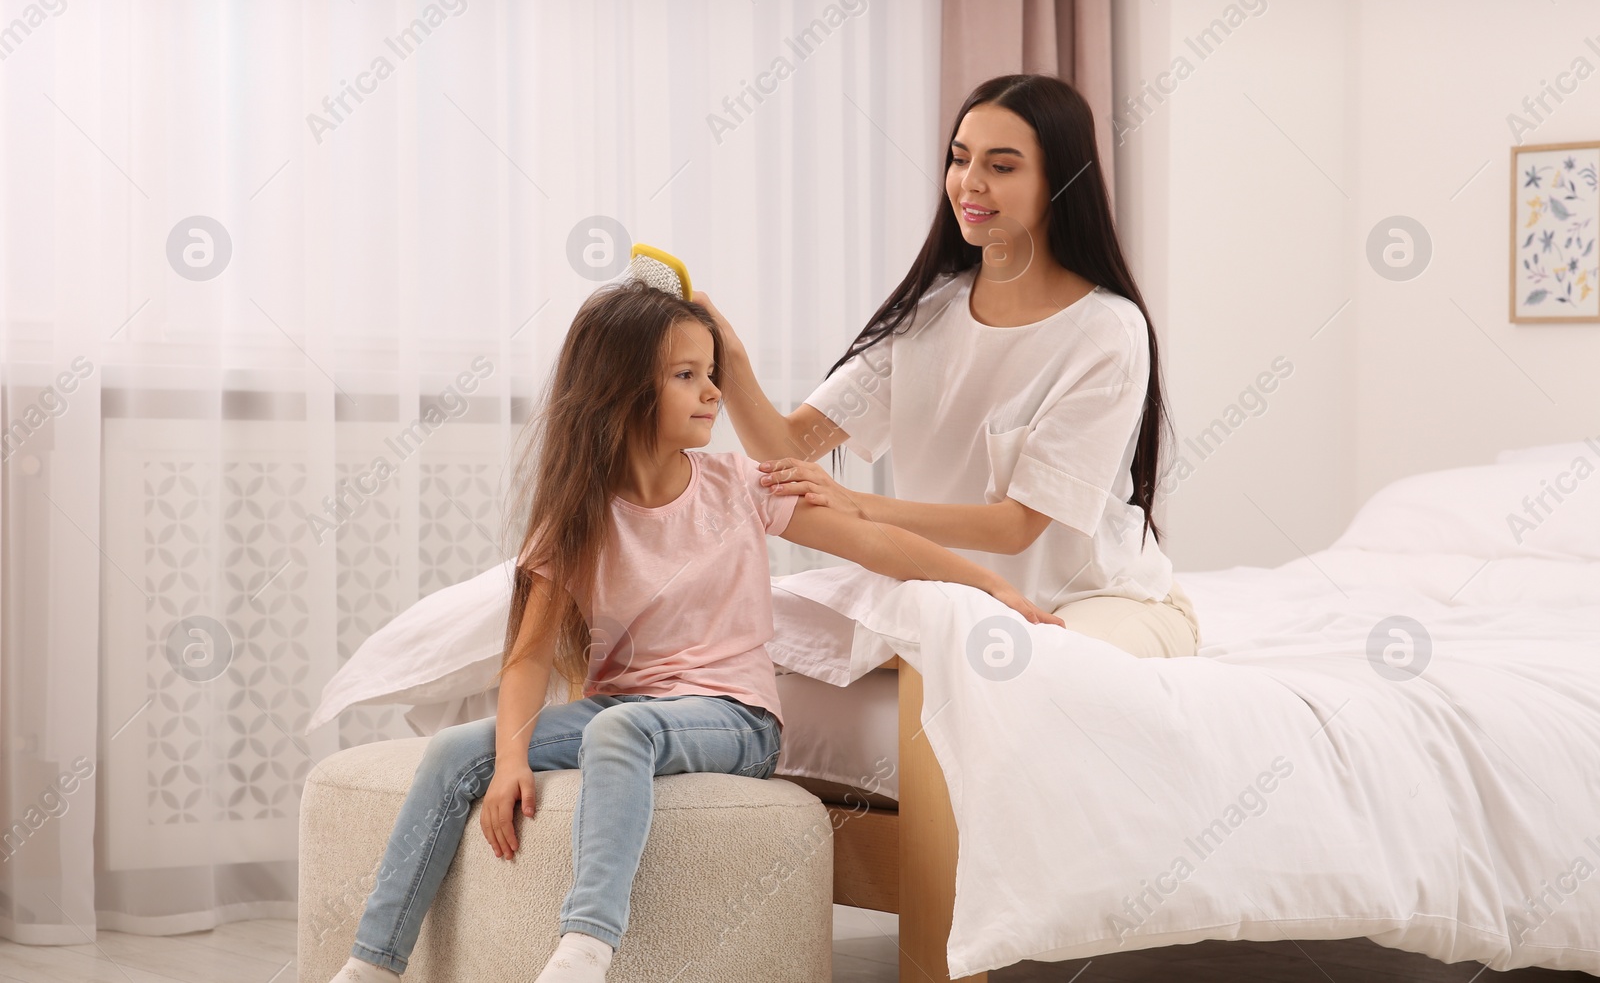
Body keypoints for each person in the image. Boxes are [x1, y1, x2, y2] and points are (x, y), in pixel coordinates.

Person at [327, 279, 1061, 983]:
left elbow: (874, 543)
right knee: (463, 746)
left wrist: (992, 584)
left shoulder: (739, 486)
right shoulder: (577, 515)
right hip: (627, 708)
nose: (713, 391)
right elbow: (525, 657)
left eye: (711, 371)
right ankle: (372, 960)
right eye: (687, 374)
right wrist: (511, 756)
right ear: (622, 391)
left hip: (735, 716)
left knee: (621, 733)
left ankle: (583, 949)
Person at [697, 73, 1202, 658]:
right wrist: (728, 359)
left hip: (1091, 600)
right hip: (948, 591)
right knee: (743, 633)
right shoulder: (928, 317)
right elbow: (789, 447)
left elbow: (1016, 527)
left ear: (1059, 182)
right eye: (960, 160)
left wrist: (858, 503)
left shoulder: (1107, 332)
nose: (970, 183)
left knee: (1037, 674)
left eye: (1003, 166)